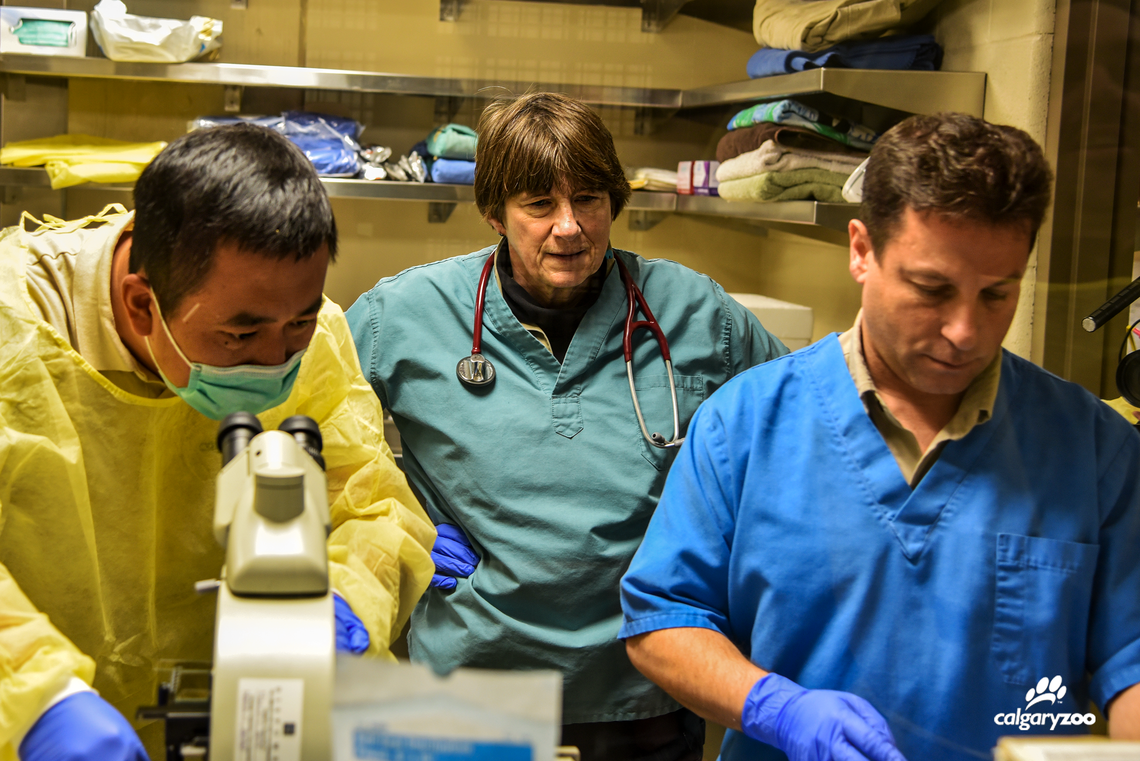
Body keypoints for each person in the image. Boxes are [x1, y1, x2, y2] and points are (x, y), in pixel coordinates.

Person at [619, 112, 1140, 761]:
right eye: (932, 289)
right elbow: (664, 620)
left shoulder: (1093, 448)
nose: (966, 331)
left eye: (997, 294)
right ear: (861, 250)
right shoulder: (745, 424)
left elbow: (1131, 657)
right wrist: (775, 707)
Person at [346, 92, 788, 761]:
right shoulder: (402, 315)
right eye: (539, 205)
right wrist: (399, 517)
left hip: (646, 693)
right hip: (471, 689)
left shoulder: (696, 313)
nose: (570, 226)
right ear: (493, 211)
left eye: (589, 199)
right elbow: (315, 437)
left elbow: (801, 426)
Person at [0, 124, 435, 761]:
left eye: (298, 322)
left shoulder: (310, 335)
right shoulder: (16, 326)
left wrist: (344, 606)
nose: (274, 360)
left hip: (244, 724)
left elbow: (372, 506)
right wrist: (38, 699)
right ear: (142, 305)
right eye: (239, 336)